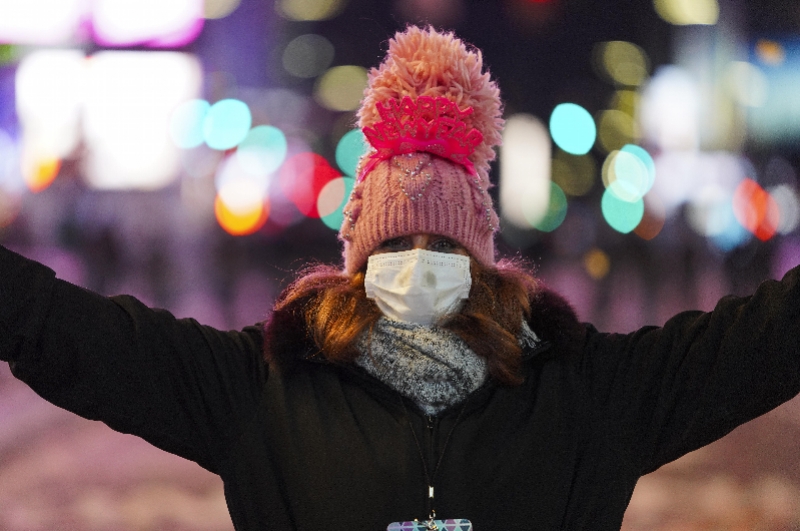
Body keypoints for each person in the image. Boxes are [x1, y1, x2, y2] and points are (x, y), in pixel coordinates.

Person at [2, 25, 800, 531]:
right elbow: (69, 332)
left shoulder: (264, 386)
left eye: (433, 244)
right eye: (401, 245)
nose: (419, 258)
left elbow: (70, 335)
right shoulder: (588, 388)